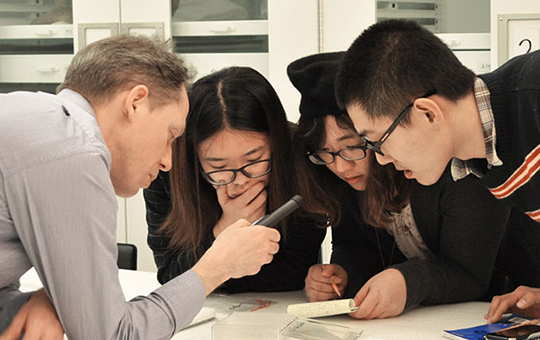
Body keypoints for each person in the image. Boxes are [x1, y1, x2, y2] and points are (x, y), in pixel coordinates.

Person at [0, 35, 282, 340]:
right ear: (136, 103)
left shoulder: (31, 116)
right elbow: (114, 336)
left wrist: (34, 303)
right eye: (170, 135)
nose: (167, 162)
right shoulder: (73, 150)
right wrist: (215, 268)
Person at [288, 51, 540, 319]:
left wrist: (408, 281)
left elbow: (469, 272)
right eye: (324, 153)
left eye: (355, 145)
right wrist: (342, 274)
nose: (339, 167)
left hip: (499, 305)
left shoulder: (462, 157)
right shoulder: (342, 175)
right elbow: (356, 247)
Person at [144, 66, 326, 292]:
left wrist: (216, 274)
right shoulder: (166, 169)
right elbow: (170, 275)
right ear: (195, 156)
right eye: (218, 167)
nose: (239, 180)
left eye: (254, 160)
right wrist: (225, 230)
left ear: (276, 142)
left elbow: (296, 272)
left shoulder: (300, 158)